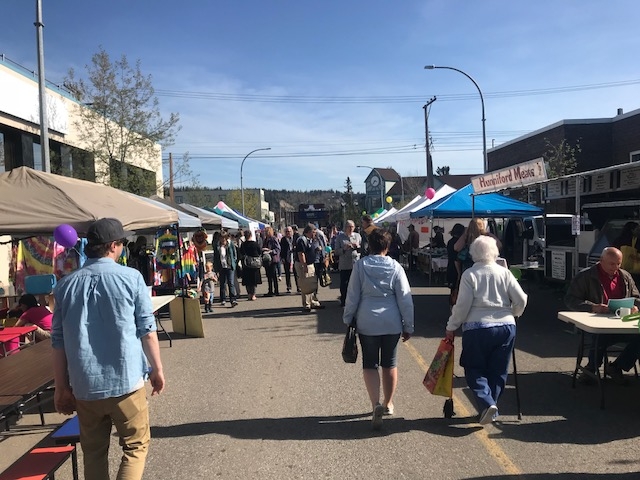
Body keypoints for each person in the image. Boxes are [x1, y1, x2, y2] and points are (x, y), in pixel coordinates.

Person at [52, 217, 165, 480]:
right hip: (125, 381)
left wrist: (61, 388)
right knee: (135, 448)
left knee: (93, 453)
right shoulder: (131, 278)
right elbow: (147, 331)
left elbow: (57, 342)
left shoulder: (64, 286)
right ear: (113, 246)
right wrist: (157, 369)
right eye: (122, 243)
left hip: (85, 385)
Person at [445, 235, 527, 426]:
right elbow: (521, 300)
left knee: (474, 367)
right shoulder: (505, 273)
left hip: (477, 327)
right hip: (505, 326)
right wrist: (512, 314)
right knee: (498, 370)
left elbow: (462, 306)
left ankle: (487, 403)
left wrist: (451, 326)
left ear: (473, 253)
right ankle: (491, 407)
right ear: (495, 252)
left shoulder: (470, 274)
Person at [343, 228, 414, 430]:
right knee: (390, 363)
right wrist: (408, 324)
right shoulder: (396, 267)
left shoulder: (360, 266)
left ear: (369, 245)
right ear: (388, 246)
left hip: (367, 320)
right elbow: (405, 298)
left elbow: (353, 295)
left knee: (369, 363)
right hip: (391, 321)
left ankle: (375, 403)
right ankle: (388, 403)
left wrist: (348, 318)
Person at [564, 246, 640, 383]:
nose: (615, 267)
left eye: (618, 263)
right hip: (596, 322)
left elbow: (636, 297)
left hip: (620, 321)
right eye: (612, 263)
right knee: (601, 336)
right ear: (601, 260)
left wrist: (635, 307)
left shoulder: (625, 276)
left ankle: (617, 366)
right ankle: (591, 368)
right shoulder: (585, 276)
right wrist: (592, 307)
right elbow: (570, 300)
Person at [295, 224, 323, 311]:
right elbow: (301, 253)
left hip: (310, 264)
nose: (315, 234)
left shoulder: (310, 240)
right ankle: (306, 304)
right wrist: (304, 265)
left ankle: (313, 302)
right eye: (314, 232)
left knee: (311, 283)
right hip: (303, 264)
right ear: (309, 232)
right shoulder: (301, 240)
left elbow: (308, 250)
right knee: (305, 284)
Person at [335, 220, 361, 307]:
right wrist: (344, 249)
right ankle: (344, 300)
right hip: (345, 265)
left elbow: (362, 248)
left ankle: (355, 300)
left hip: (355, 263)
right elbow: (336, 251)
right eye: (349, 227)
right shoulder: (340, 237)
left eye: (352, 227)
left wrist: (357, 247)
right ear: (345, 228)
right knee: (344, 284)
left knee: (355, 284)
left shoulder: (357, 236)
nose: (351, 229)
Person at [213, 232, 239, 307]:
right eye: (221, 238)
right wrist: (216, 268)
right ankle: (223, 299)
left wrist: (233, 262)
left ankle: (233, 299)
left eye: (224, 237)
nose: (223, 239)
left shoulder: (230, 244)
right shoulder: (217, 246)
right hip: (221, 266)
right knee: (223, 283)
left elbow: (234, 254)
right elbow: (216, 257)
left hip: (229, 266)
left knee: (231, 283)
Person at [239, 229, 262, 301]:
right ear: (251, 235)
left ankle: (249, 294)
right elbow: (259, 252)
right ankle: (253, 295)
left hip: (246, 264)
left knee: (247, 281)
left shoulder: (243, 244)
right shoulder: (255, 244)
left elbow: (241, 253)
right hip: (255, 264)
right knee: (254, 281)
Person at [262, 226, 281, 297]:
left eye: (266, 231)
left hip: (273, 260)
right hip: (267, 260)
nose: (265, 233)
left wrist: (270, 251)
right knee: (269, 276)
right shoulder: (265, 239)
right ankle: (270, 290)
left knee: (274, 276)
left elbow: (278, 249)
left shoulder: (273, 239)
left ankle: (276, 291)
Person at [280, 226, 295, 294]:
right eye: (286, 231)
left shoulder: (294, 238)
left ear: (291, 232)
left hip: (294, 258)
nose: (288, 233)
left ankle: (298, 287)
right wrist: (282, 258)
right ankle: (289, 287)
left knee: (296, 273)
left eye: (289, 231)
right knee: (287, 274)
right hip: (286, 258)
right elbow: (281, 250)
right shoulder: (283, 239)